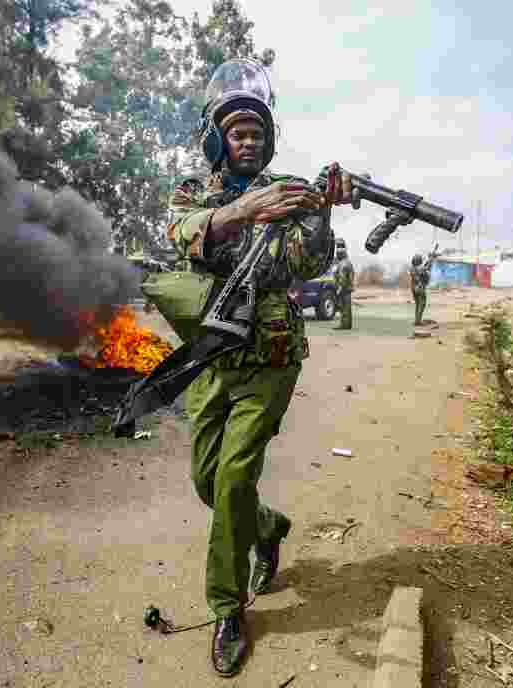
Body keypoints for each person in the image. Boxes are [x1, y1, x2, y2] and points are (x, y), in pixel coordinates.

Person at [165, 57, 358, 677]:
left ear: (268, 143)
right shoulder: (196, 193)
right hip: (212, 356)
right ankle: (268, 529)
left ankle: (227, 607)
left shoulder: (293, 192)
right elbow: (182, 233)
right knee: (206, 481)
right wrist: (246, 212)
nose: (246, 141)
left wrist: (322, 209)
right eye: (236, 133)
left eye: (256, 134)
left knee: (233, 478)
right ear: (219, 140)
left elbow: (306, 264)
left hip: (270, 359)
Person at [331, 237, 355, 330]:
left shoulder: (343, 264)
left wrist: (339, 289)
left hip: (343, 289)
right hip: (347, 289)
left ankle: (344, 325)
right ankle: (346, 324)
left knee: (344, 308)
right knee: (346, 308)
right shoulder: (347, 262)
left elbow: (342, 278)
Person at [410, 250, 437, 326]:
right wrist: (431, 259)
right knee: (422, 304)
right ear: (419, 261)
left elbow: (425, 267)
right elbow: (427, 268)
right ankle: (418, 321)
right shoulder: (420, 269)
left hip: (413, 288)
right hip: (420, 288)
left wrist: (429, 259)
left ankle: (417, 320)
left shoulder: (412, 268)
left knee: (418, 304)